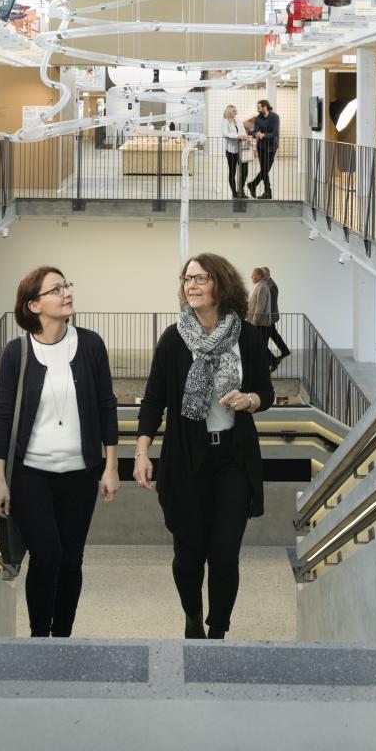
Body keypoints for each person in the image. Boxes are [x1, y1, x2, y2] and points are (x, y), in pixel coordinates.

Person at [134, 253, 275, 639]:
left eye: (200, 278)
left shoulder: (245, 336)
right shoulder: (174, 339)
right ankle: (193, 615)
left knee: (225, 555)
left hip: (233, 458)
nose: (190, 285)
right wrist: (143, 451)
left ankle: (219, 632)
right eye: (186, 279)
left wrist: (250, 401)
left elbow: (266, 391)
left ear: (221, 284)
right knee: (189, 557)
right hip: (186, 461)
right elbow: (153, 400)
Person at [0, 267, 119, 637]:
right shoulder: (17, 353)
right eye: (56, 289)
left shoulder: (91, 345)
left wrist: (110, 467)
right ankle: (38, 636)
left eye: (67, 285)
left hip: (80, 474)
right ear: (34, 305)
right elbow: (2, 417)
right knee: (46, 556)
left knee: (71, 561)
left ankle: (63, 636)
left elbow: (107, 406)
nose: (67, 292)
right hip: (31, 474)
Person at [248, 266, 291, 365]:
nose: (263, 275)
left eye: (264, 274)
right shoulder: (263, 285)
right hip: (265, 317)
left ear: (267, 274)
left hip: (267, 317)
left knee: (263, 340)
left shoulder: (270, 286)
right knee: (271, 336)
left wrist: (268, 318)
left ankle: (270, 359)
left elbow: (267, 304)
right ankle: (277, 355)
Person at [246, 99, 280, 199]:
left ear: (265, 106)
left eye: (259, 108)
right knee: (264, 170)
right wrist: (256, 134)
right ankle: (267, 193)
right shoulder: (258, 118)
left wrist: (263, 135)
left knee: (265, 169)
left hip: (271, 147)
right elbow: (254, 131)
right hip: (261, 147)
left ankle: (253, 185)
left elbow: (275, 133)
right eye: (257, 108)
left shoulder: (275, 117)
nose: (258, 110)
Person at [219, 104, 248, 199]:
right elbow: (225, 133)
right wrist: (237, 136)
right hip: (231, 151)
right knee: (233, 172)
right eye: (234, 111)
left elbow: (243, 131)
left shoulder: (238, 120)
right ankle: (234, 193)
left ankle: (241, 190)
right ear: (229, 111)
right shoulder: (225, 121)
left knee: (244, 171)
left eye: (236, 111)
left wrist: (244, 136)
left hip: (241, 149)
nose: (236, 112)